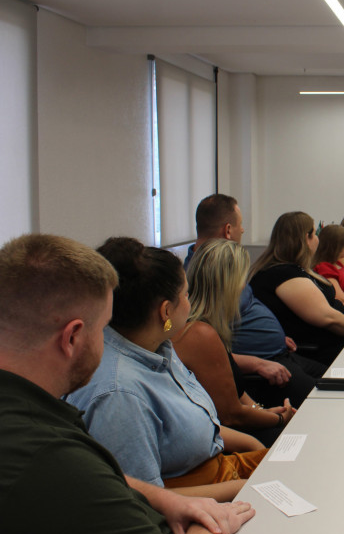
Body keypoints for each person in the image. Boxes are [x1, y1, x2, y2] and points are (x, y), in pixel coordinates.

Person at [0, 233, 255, 534]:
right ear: (72, 337)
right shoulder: (45, 453)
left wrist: (161, 497)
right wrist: (209, 519)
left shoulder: (31, 421)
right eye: (104, 327)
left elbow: (103, 479)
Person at [67, 237, 267, 500]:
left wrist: (253, 446)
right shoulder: (119, 395)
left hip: (222, 475)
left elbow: (197, 427)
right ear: (166, 311)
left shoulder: (156, 345)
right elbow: (148, 503)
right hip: (198, 505)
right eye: (185, 294)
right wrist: (251, 486)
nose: (190, 301)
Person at [185, 193, 327, 400]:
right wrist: (257, 363)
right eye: (240, 224)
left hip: (280, 354)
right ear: (228, 229)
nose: (243, 230)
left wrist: (276, 336)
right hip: (264, 366)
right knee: (327, 399)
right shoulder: (204, 276)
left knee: (337, 379)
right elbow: (204, 352)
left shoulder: (229, 266)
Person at [175, 239, 298, 447]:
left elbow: (237, 397)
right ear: (231, 284)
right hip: (223, 441)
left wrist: (263, 412)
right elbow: (232, 416)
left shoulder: (202, 325)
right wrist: (279, 419)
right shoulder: (200, 333)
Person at [249, 212, 344, 365]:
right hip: (322, 352)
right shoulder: (283, 274)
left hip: (339, 343)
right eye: (315, 233)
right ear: (305, 239)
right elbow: (329, 318)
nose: (318, 238)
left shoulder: (297, 269)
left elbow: (334, 303)